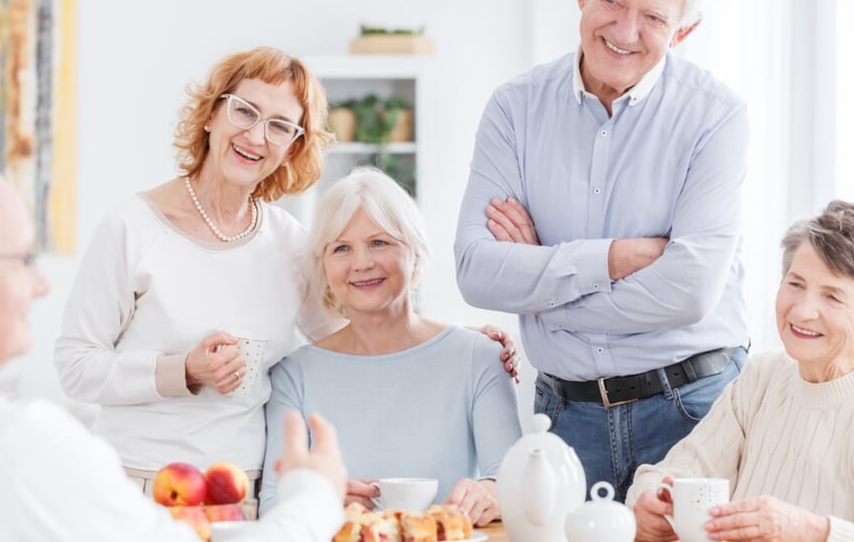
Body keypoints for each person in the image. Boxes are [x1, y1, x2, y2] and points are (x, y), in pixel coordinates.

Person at [55, 48, 518, 495]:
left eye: (279, 126)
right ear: (210, 115)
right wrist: (185, 371)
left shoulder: (289, 243)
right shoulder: (133, 227)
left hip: (245, 494)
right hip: (141, 487)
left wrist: (454, 343)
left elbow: (356, 336)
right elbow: (76, 367)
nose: (257, 136)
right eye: (245, 112)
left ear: (294, 148)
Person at [0, 154, 348, 542]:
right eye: (22, 259)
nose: (39, 285)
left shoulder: (285, 239)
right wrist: (313, 497)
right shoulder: (23, 452)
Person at [453, 0, 749, 501]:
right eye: (612, 0)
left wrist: (543, 287)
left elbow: (689, 292)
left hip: (693, 411)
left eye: (655, 16)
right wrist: (612, 259)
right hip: (564, 420)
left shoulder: (716, 116)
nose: (626, 30)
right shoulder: (515, 109)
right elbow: (476, 270)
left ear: (684, 29)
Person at [628, 200, 854, 542]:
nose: (803, 311)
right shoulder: (764, 376)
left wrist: (814, 533)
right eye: (796, 284)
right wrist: (647, 505)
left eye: (833, 297)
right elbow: (675, 473)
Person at [260, 168, 523, 526]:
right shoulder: (295, 374)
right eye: (341, 248)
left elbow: (513, 483)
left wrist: (491, 493)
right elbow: (274, 504)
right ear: (324, 266)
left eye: (379, 242)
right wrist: (323, 500)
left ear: (414, 253)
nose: (361, 263)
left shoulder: (480, 357)